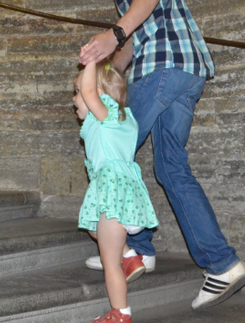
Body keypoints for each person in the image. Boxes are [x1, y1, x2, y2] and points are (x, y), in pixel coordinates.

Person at [69, 0, 245, 310]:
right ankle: (222, 264)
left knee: (112, 149)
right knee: (170, 167)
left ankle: (133, 250)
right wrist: (110, 69)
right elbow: (138, 31)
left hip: (165, 67)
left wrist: (112, 34)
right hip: (183, 70)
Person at [74, 60, 159, 323]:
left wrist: (90, 61)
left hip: (111, 193)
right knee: (94, 229)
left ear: (99, 94)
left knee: (109, 262)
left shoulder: (106, 115)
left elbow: (89, 91)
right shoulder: (125, 118)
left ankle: (120, 314)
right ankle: (130, 256)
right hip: (124, 193)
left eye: (77, 91)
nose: (74, 98)